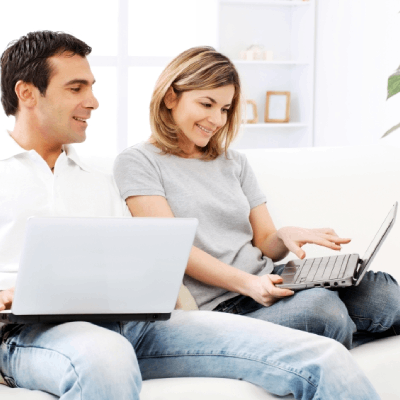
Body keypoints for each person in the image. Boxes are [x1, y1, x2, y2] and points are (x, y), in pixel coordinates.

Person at [0, 30, 381, 400]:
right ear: (27, 93)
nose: (94, 101)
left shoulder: (98, 182)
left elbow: (145, 260)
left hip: (137, 325)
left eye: (92, 87)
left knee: (320, 356)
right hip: (32, 333)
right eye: (76, 88)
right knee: (105, 358)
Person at [113, 46, 400, 352]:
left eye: (225, 108)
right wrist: (248, 284)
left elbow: (265, 242)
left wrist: (284, 235)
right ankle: (326, 335)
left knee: (385, 293)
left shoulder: (233, 162)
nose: (217, 119)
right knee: (324, 311)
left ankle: (324, 338)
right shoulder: (139, 162)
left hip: (271, 279)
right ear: (171, 97)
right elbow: (174, 249)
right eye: (207, 104)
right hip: (224, 304)